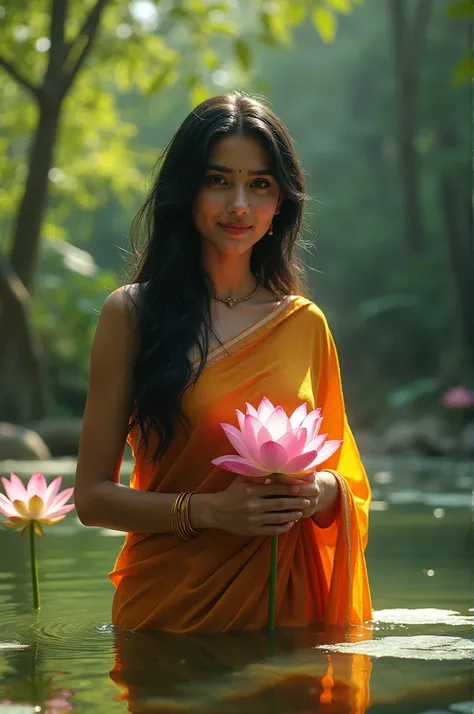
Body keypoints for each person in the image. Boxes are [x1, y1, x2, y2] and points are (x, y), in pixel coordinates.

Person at [74, 91, 372, 634]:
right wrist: (206, 511)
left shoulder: (305, 324)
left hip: (290, 617)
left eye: (259, 184)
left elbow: (347, 482)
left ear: (281, 201)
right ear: (186, 190)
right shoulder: (132, 315)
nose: (239, 204)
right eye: (218, 181)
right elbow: (92, 499)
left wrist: (316, 493)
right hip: (167, 616)